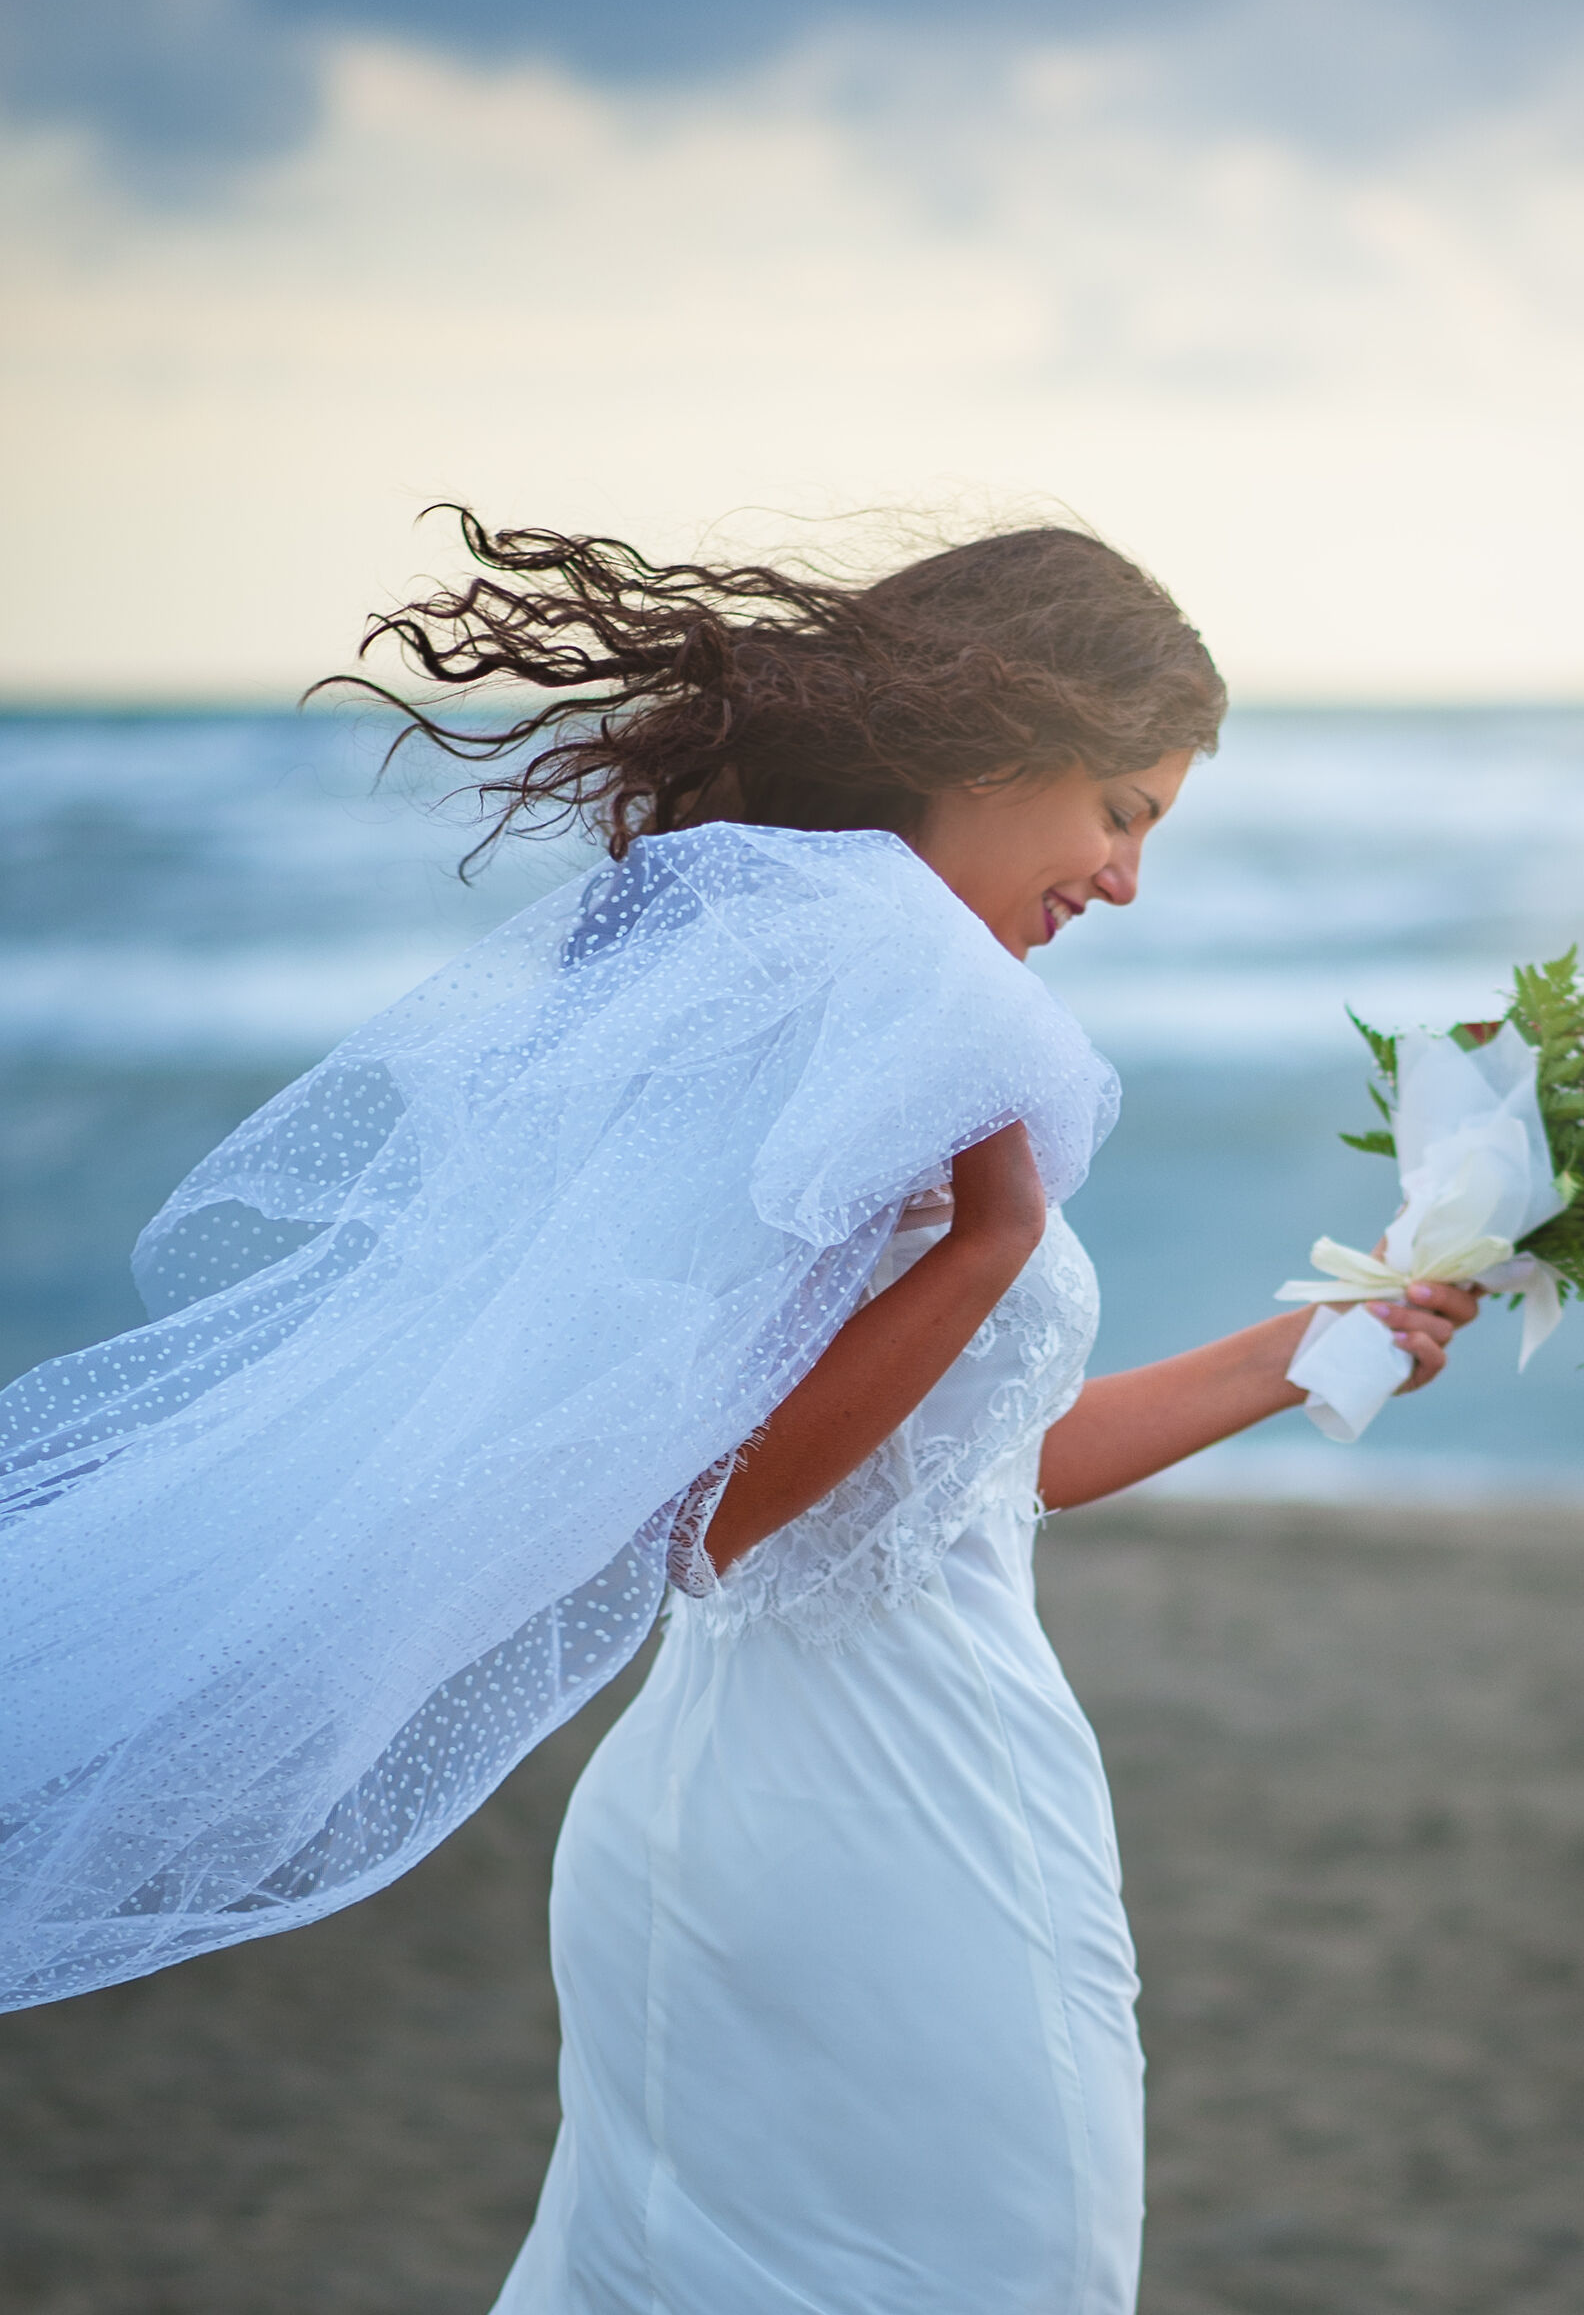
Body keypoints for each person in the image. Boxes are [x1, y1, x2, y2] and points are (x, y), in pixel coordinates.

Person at [0, 516, 1478, 2314]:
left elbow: (969, 1479)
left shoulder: (856, 1005)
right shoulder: (881, 1025)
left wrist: (1327, 1340)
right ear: (998, 747)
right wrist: (999, 1239)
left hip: (779, 1811)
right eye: (1126, 809)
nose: (1127, 878)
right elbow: (709, 1520)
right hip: (887, 1824)